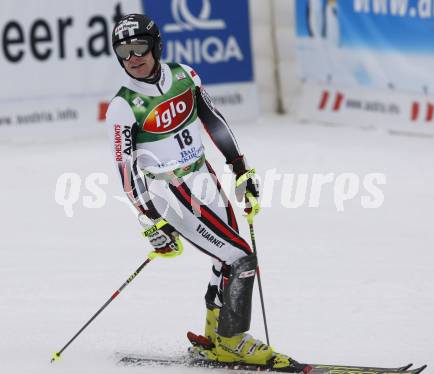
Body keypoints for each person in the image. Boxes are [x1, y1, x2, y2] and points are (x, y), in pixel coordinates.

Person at [106, 13, 297, 369]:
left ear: (156, 45)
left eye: (139, 47)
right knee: (240, 258)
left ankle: (213, 335)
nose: (133, 57)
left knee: (225, 257)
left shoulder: (184, 75)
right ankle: (232, 339)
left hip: (202, 175)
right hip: (169, 190)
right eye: (124, 51)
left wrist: (240, 168)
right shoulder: (123, 105)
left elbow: (214, 120)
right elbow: (126, 171)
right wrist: (151, 221)